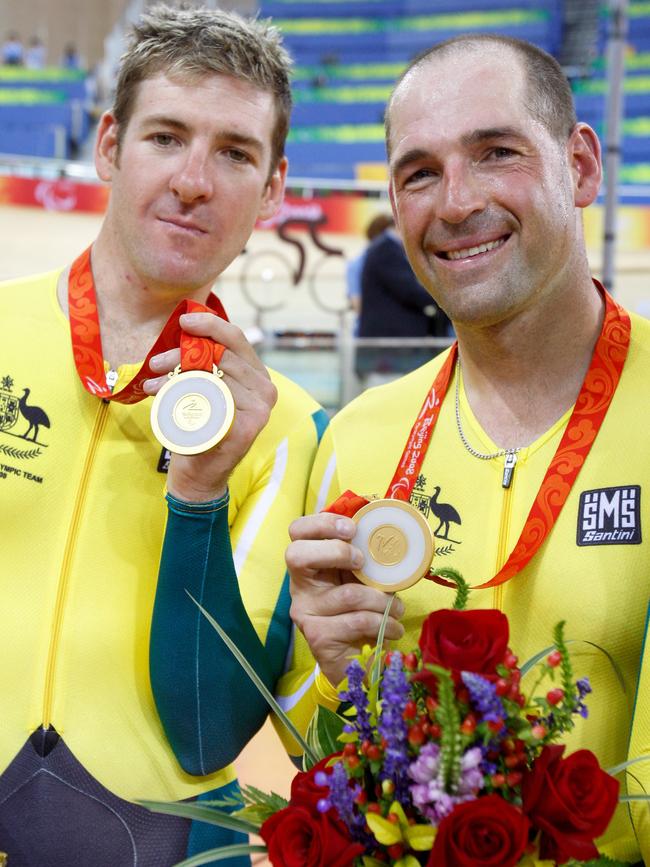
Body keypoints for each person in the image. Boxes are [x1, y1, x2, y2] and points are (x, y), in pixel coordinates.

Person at [279, 34, 650, 863]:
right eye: (419, 172)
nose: (454, 201)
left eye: (495, 153)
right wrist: (335, 678)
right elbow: (321, 765)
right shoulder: (358, 437)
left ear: (581, 166)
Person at [0, 6, 326, 866]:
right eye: (166, 137)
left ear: (275, 188)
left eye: (235, 152)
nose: (192, 180)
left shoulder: (288, 425)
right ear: (110, 144)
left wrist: (200, 494)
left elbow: (207, 731)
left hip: (158, 838)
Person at [355, 216, 451, 382]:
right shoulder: (386, 250)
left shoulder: (385, 249)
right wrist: (446, 300)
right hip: (388, 352)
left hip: (392, 352)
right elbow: (409, 291)